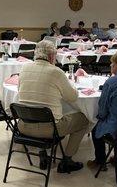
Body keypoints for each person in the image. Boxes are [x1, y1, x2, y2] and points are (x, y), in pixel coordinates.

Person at [17, 40, 89, 173]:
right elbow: (72, 97)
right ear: (51, 56)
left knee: (40, 110)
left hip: (23, 125)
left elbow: (19, 90)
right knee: (84, 119)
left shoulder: (24, 68)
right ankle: (67, 160)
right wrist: (72, 86)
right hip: (49, 129)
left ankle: (43, 152)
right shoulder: (56, 72)